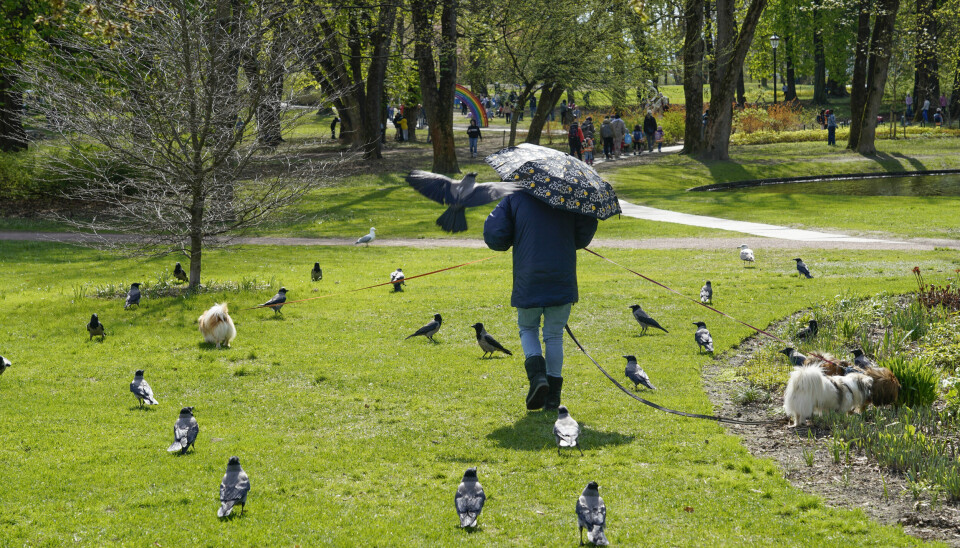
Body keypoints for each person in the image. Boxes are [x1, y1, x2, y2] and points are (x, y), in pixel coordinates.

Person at [483, 189, 598, 411]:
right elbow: (584, 233)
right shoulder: (570, 197)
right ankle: (553, 396)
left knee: (527, 328)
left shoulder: (514, 198)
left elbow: (495, 236)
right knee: (554, 335)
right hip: (561, 274)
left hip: (529, 277)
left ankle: (537, 377)